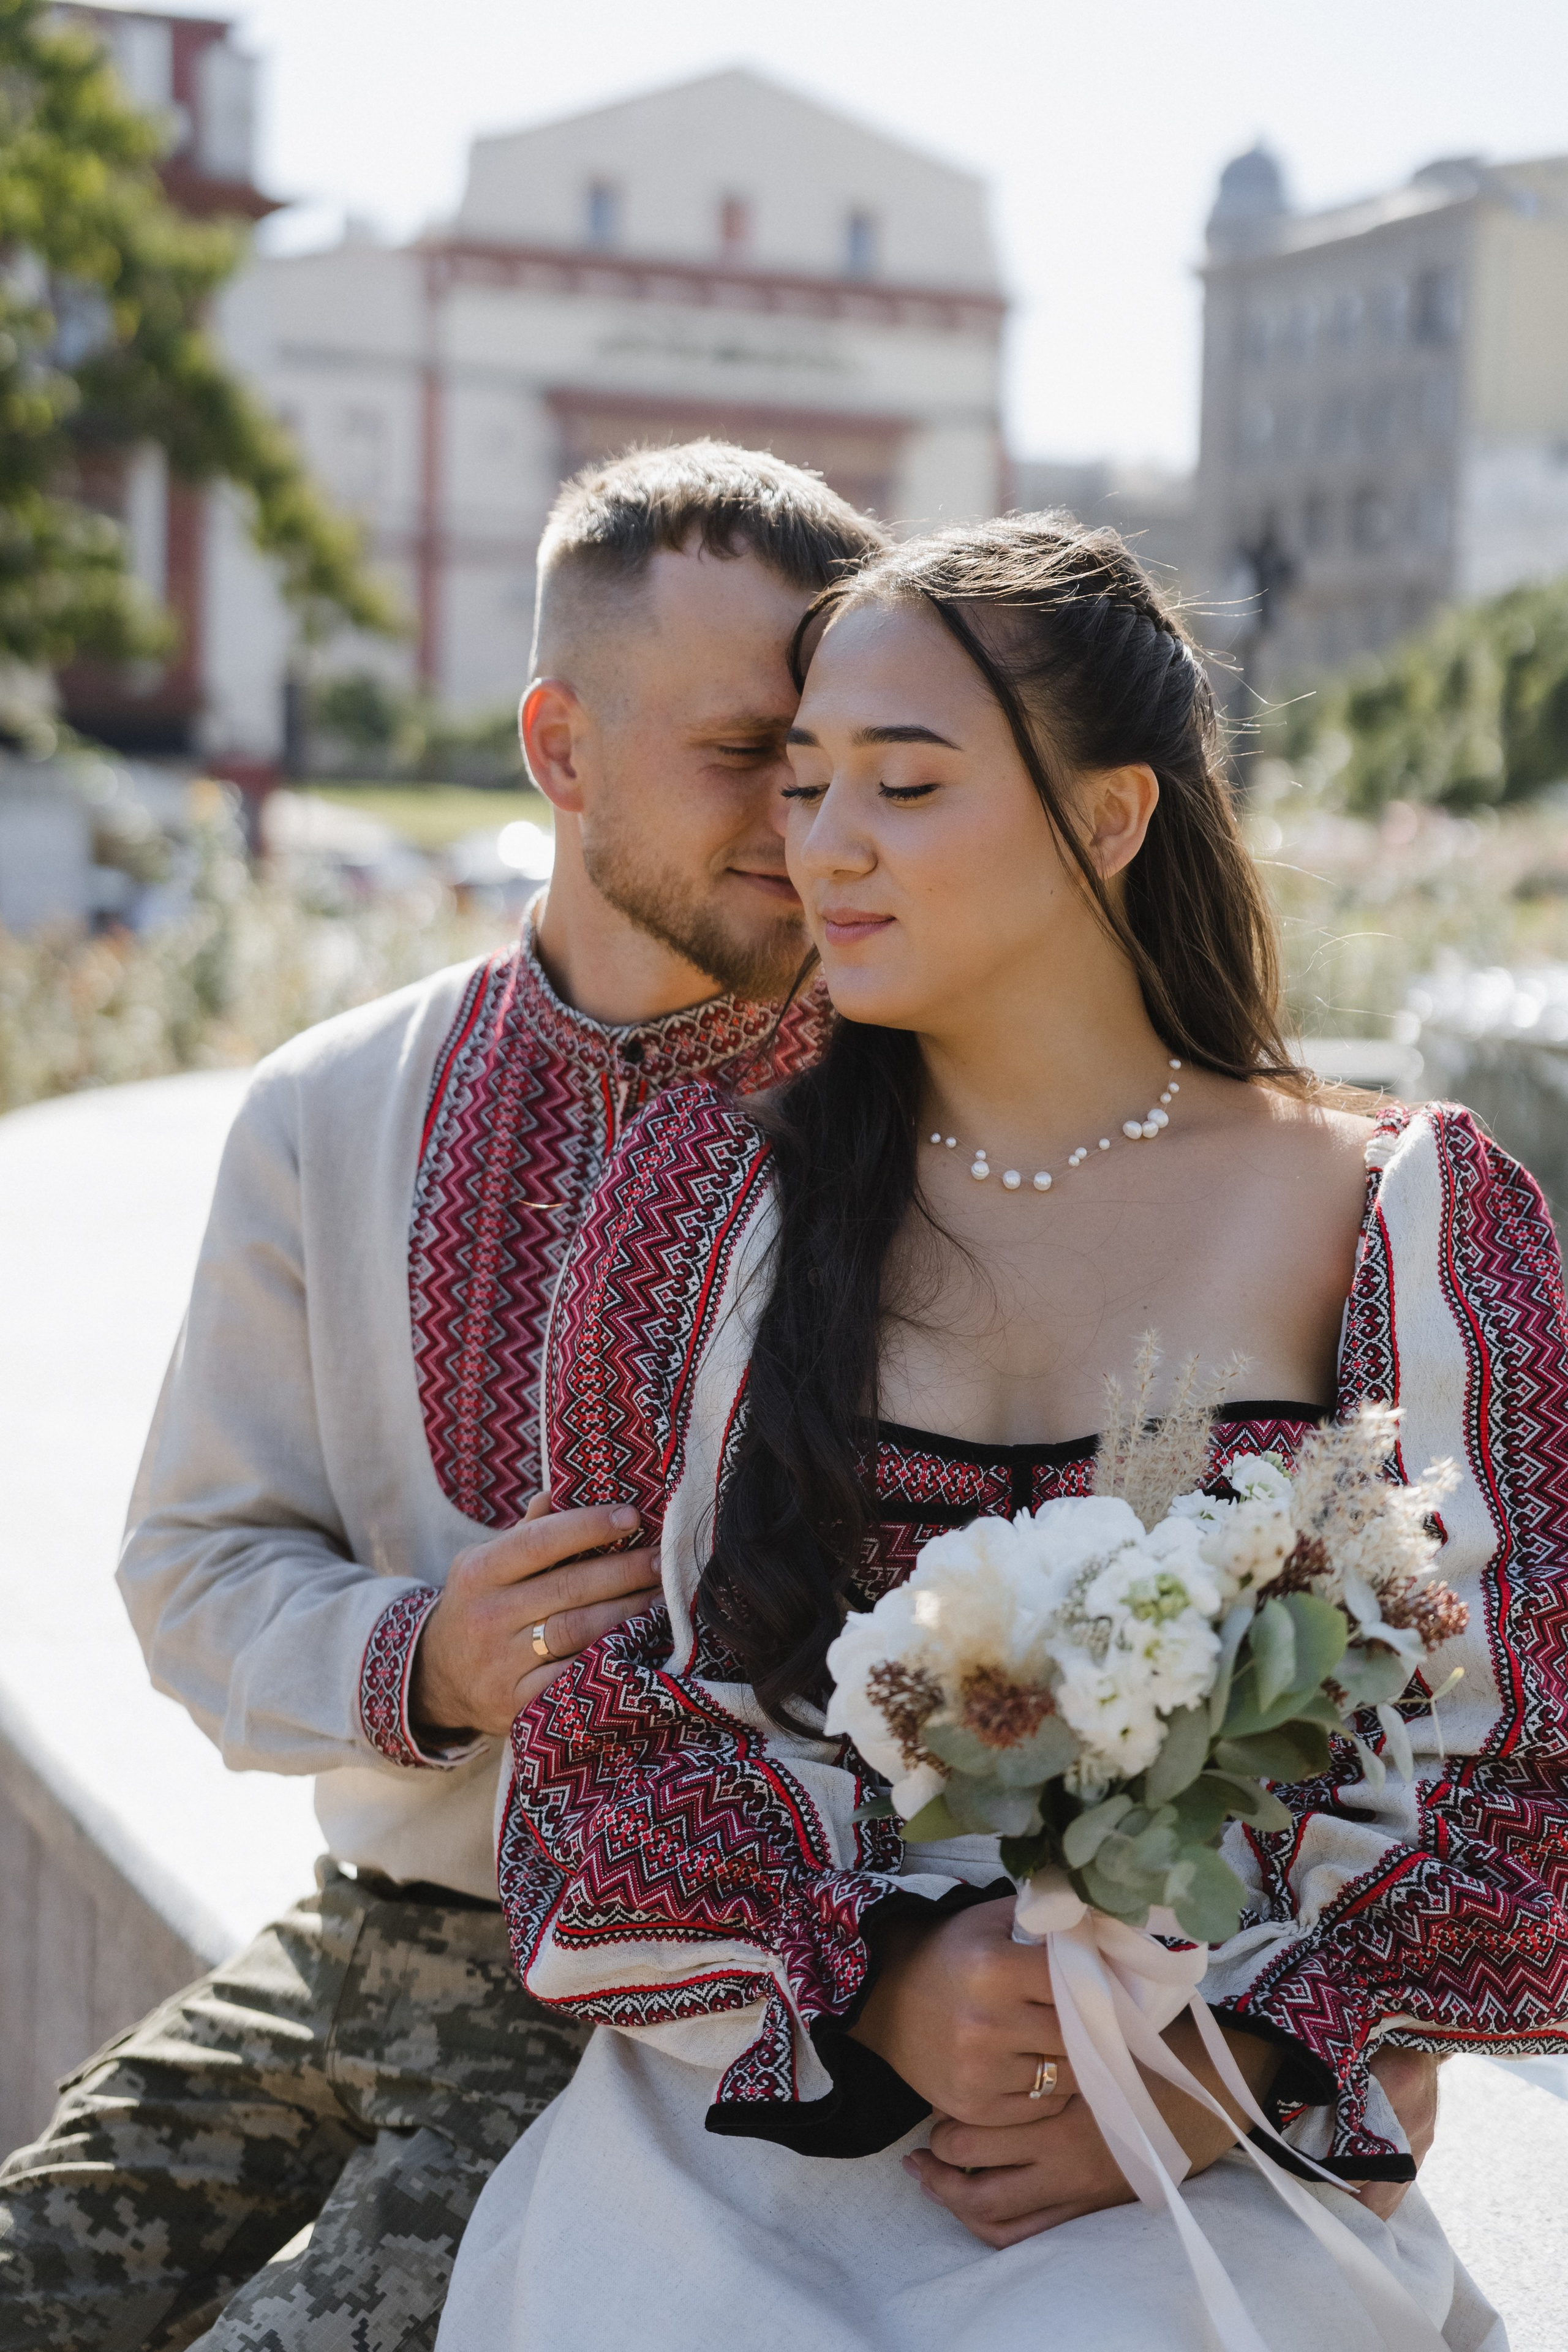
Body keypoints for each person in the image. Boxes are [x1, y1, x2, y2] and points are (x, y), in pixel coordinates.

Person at [435, 514, 1568, 2351]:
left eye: (905, 782)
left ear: (1111, 819)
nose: (828, 846)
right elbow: (599, 1724)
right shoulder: (713, 1198)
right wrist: (880, 1986)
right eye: (804, 786)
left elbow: (1521, 1751)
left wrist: (1249, 2065)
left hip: (1209, 2113)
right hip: (765, 2108)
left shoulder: (1394, 1213)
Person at [0, 442, 888, 2352]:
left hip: (670, 2014)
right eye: (748, 754)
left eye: (836, 759)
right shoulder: (329, 1109)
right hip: (359, 1935)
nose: (805, 817)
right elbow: (193, 1560)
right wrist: (425, 1656)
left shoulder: (924, 1133)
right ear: (560, 751)